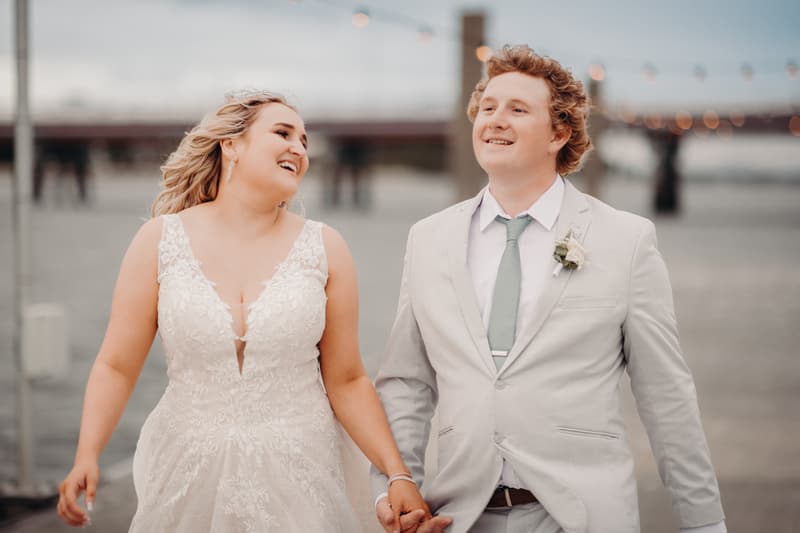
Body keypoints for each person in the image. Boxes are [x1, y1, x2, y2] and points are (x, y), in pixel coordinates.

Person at [372, 45, 726, 533]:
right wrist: (395, 482)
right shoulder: (428, 238)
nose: (495, 120)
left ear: (559, 133)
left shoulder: (625, 240)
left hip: (580, 515)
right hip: (457, 515)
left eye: (518, 110)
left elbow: (666, 397)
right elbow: (407, 384)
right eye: (488, 107)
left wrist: (704, 524)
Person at [56, 91, 428, 531]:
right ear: (230, 145)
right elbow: (117, 365)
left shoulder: (326, 248)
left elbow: (347, 380)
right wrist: (87, 453)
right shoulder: (159, 241)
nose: (300, 148)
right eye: (283, 133)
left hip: (301, 474)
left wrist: (397, 474)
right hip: (186, 471)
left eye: (305, 141)